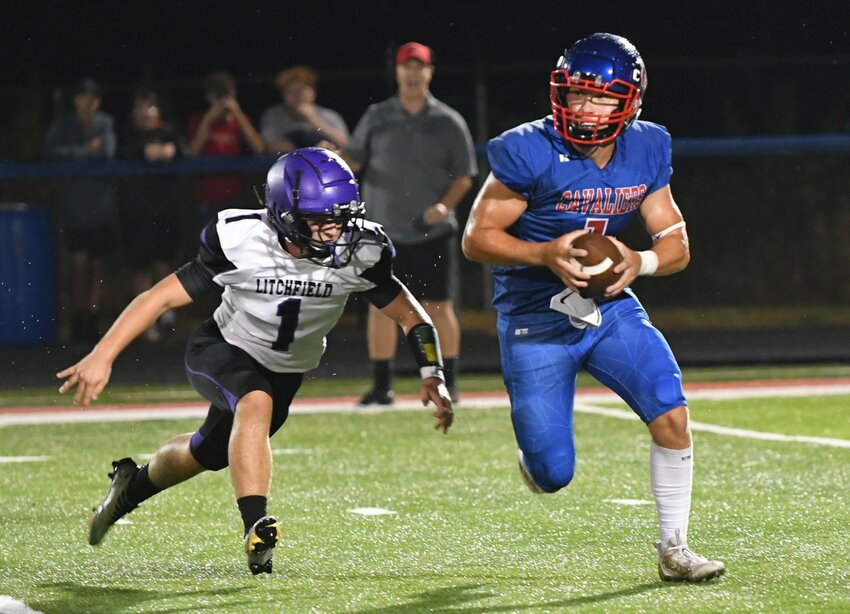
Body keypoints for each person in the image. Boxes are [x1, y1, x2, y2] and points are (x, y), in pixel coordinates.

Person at [57, 147, 453, 575]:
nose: (334, 232)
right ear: (284, 215)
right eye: (321, 220)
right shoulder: (241, 238)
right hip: (223, 347)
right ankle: (257, 531)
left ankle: (128, 488)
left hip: (285, 371)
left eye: (341, 218)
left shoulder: (362, 250)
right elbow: (158, 297)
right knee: (254, 401)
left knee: (202, 453)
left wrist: (433, 372)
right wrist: (103, 353)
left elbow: (410, 315)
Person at [462, 33, 725, 582]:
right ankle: (536, 461)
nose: (584, 108)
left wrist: (640, 261)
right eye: (576, 95)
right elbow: (477, 237)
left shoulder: (647, 147)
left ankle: (674, 549)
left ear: (629, 102)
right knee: (553, 473)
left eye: (600, 97)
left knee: (671, 412)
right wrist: (542, 252)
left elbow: (675, 243)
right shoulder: (528, 148)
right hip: (535, 316)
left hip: (608, 306)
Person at [344, 41, 477, 406]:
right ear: (398, 72)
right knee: (381, 308)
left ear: (430, 71)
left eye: (420, 66)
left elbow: (464, 175)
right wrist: (321, 162)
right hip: (382, 231)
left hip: (432, 231)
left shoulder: (448, 120)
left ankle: (449, 381)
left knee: (438, 306)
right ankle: (381, 386)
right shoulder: (376, 116)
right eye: (407, 66)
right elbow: (352, 159)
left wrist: (443, 205)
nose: (413, 73)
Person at [45, 77, 118, 343]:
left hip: (101, 208)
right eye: (85, 97)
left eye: (94, 98)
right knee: (78, 267)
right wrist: (84, 150)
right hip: (74, 209)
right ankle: (77, 320)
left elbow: (107, 152)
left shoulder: (105, 123)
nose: (90, 103)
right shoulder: (63, 124)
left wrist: (79, 153)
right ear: (75, 99)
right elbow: (53, 152)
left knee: (98, 267)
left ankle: (93, 320)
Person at [120, 87, 182, 342]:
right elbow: (124, 152)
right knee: (140, 269)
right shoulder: (127, 136)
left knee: (163, 264)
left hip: (164, 210)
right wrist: (144, 152)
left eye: (150, 106)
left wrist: (171, 151)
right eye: (140, 107)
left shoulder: (169, 132)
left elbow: (183, 150)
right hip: (135, 212)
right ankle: (144, 324)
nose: (145, 113)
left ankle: (167, 318)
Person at [187, 71, 265, 227]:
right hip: (207, 196)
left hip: (237, 194)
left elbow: (259, 148)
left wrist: (237, 113)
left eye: (226, 93)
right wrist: (209, 118)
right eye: (216, 94)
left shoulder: (242, 120)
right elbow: (192, 151)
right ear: (208, 96)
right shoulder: (198, 119)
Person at [260, 65, 350, 154]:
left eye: (301, 90)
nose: (296, 95)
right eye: (290, 91)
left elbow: (346, 145)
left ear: (313, 92)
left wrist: (313, 119)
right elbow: (268, 147)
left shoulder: (330, 115)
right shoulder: (273, 116)